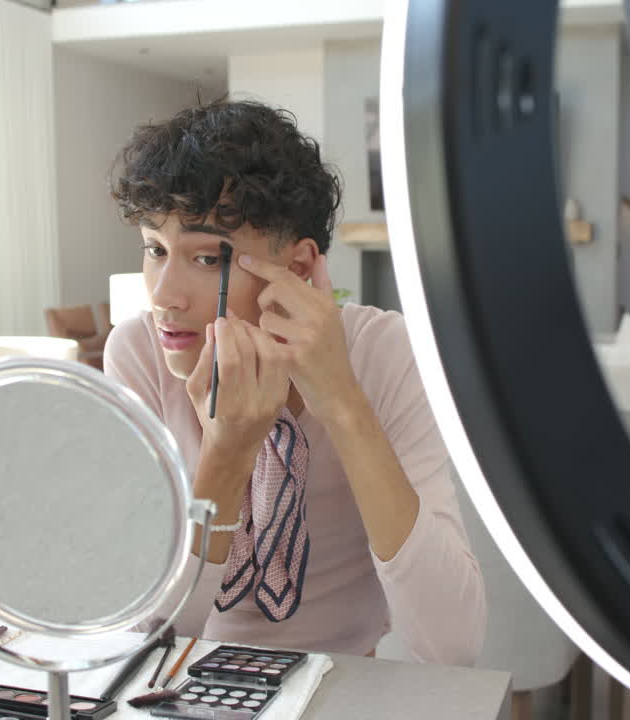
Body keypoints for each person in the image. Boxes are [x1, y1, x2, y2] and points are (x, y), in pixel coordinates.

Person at [104, 99, 485, 665]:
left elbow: (452, 646)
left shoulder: (384, 353)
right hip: (184, 686)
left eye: (208, 258)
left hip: (346, 684)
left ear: (300, 269)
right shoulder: (138, 353)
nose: (163, 295)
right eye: (156, 250)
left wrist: (342, 403)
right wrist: (226, 452)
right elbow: (140, 641)